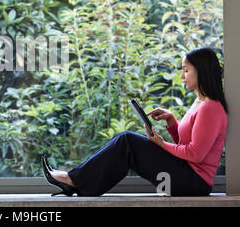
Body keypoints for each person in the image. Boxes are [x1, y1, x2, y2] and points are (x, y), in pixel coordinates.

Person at [42, 47, 228, 196]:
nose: (182, 76)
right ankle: (78, 182)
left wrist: (161, 145)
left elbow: (195, 155)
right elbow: (185, 144)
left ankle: (74, 181)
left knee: (127, 141)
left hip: (194, 182)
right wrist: (172, 122)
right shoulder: (200, 102)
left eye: (186, 70)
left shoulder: (211, 108)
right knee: (127, 143)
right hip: (187, 175)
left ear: (201, 71)